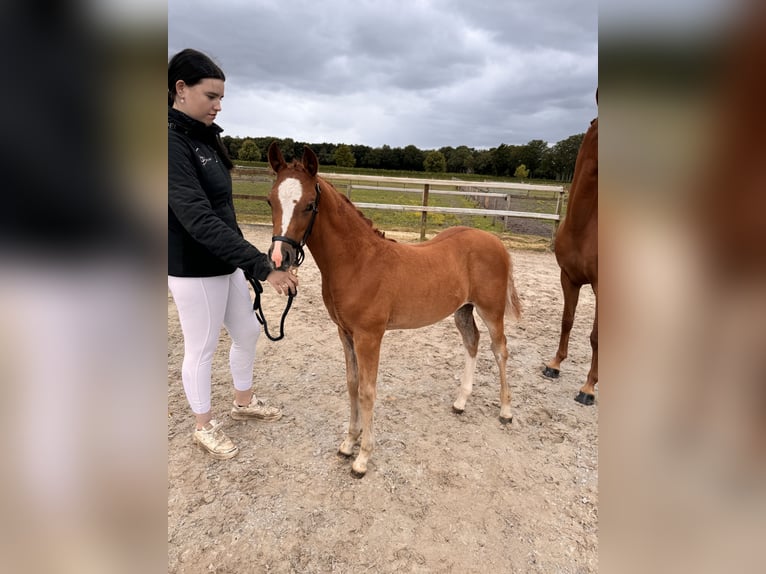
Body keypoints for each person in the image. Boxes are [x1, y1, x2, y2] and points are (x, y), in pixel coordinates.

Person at [168, 48, 298, 460]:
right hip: (193, 267)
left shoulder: (205, 140)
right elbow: (199, 219)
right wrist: (261, 266)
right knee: (201, 347)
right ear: (181, 89)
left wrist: (247, 263)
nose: (218, 106)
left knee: (246, 331)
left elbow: (224, 213)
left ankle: (243, 402)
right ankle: (203, 425)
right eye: (211, 96)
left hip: (225, 263)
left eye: (222, 97)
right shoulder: (170, 145)